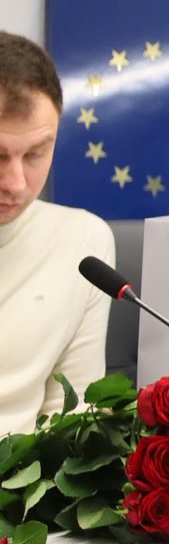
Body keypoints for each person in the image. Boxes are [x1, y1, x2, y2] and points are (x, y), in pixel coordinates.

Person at [0, 33, 115, 436]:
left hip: (22, 475)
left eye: (36, 154)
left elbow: (72, 420)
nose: (15, 183)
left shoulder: (83, 243)